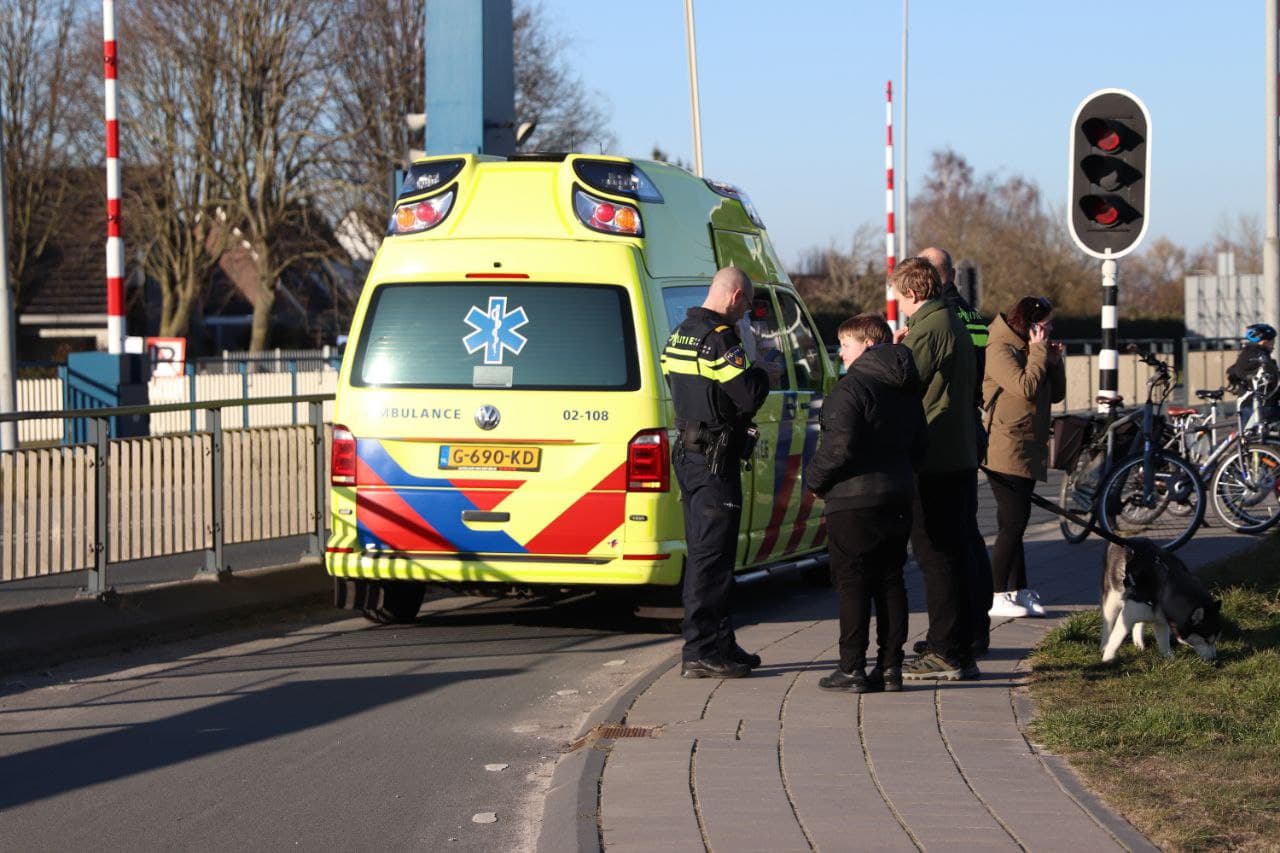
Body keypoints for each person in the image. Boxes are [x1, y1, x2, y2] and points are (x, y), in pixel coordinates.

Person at [805, 314, 927, 694]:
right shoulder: (907, 390)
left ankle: (851, 667)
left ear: (868, 345)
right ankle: (890, 667)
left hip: (852, 501)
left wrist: (813, 481)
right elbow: (922, 446)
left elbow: (838, 447)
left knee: (853, 583)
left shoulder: (851, 388)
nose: (840, 353)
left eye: (846, 344)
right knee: (891, 581)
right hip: (897, 496)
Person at [660, 266, 772, 679]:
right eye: (745, 305)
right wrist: (764, 371)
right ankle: (701, 651)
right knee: (712, 558)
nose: (744, 314)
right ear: (735, 296)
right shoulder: (720, 339)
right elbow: (746, 397)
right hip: (713, 461)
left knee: (707, 554)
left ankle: (722, 642)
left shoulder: (678, 335)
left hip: (690, 455)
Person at [890, 257, 980, 681]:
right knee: (955, 551)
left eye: (900, 300)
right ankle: (956, 641)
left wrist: (890, 351)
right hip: (956, 453)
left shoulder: (929, 328)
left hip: (935, 458)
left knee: (935, 554)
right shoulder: (950, 319)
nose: (901, 308)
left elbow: (897, 382)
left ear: (911, 293)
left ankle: (945, 649)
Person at [918, 247, 993, 657]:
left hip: (945, 433)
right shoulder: (970, 313)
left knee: (945, 543)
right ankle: (975, 627)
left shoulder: (940, 318)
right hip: (969, 427)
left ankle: (953, 634)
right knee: (969, 536)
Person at [982, 296, 1066, 618]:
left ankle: (1019, 589)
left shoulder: (1031, 349)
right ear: (1031, 325)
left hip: (1028, 445)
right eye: (1045, 325)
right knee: (1012, 523)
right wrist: (1040, 353)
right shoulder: (999, 349)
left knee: (1017, 522)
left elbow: (1054, 394)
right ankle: (996, 592)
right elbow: (1026, 387)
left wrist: (1054, 364)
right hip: (1004, 446)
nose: (1049, 331)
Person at [1227, 323, 1280, 426]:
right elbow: (1274, 380)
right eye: (1272, 341)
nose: (1273, 345)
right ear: (1265, 342)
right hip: (1260, 405)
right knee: (1250, 438)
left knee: (1247, 438)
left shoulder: (1246, 354)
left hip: (1249, 403)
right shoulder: (1261, 358)